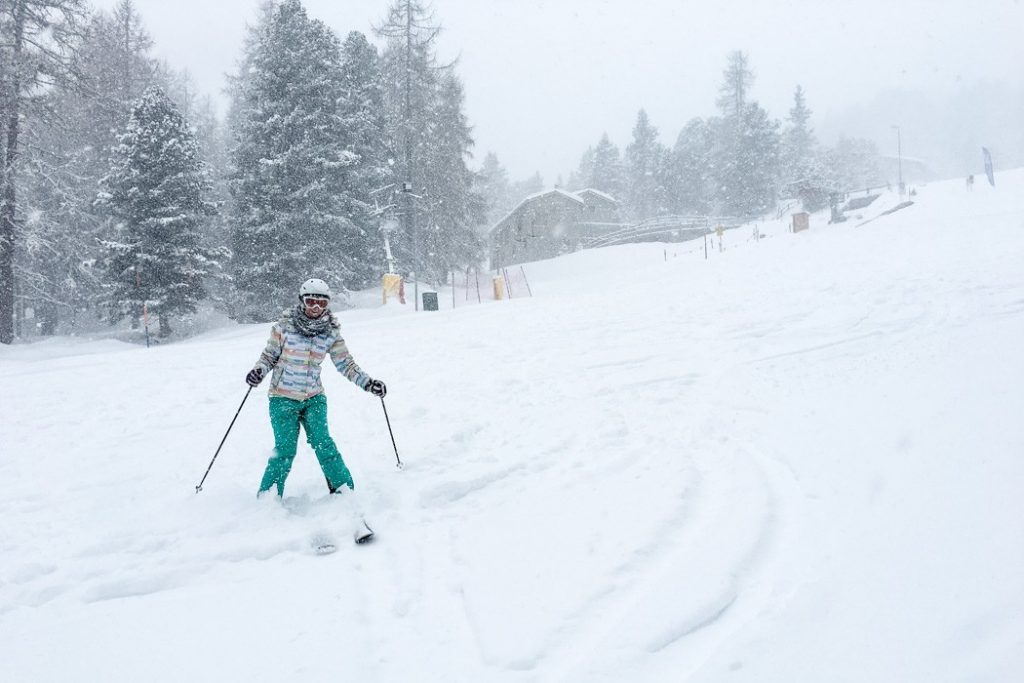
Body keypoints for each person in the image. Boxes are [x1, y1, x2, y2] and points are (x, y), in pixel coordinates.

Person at [246, 278, 386, 498]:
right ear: (302, 301)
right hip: (282, 398)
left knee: (324, 444)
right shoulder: (284, 327)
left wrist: (368, 383)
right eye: (311, 301)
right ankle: (269, 495)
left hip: (314, 398)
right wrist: (259, 371)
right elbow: (268, 357)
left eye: (322, 303)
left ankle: (343, 489)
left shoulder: (330, 333)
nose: (316, 308)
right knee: (284, 450)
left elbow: (345, 363)